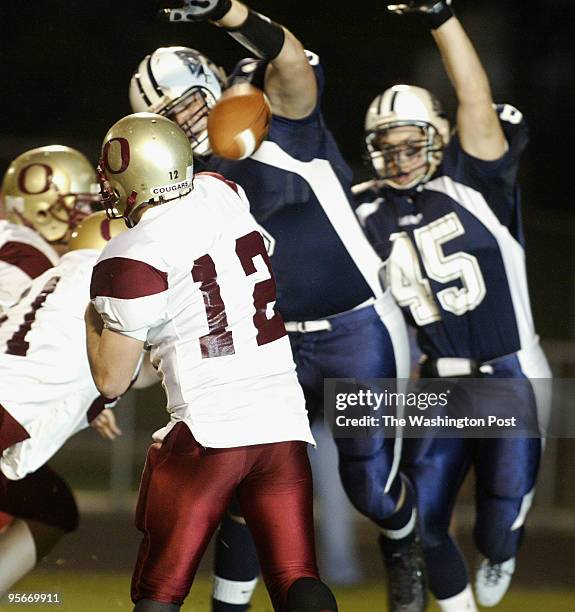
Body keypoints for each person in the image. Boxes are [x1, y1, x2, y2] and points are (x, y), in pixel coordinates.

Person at [130, 3, 422, 611]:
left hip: (356, 324)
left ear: (216, 81)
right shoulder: (182, 190)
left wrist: (225, 10)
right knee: (246, 480)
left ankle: (404, 543)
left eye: (190, 100)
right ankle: (228, 605)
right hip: (271, 344)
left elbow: (288, 60)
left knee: (367, 484)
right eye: (170, 116)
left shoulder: (280, 122)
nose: (188, 118)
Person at [86, 111, 338, 612]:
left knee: (159, 592)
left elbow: (112, 379)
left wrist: (92, 315)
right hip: (281, 424)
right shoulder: (221, 192)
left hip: (209, 434)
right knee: (296, 578)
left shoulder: (132, 254)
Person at [353, 1, 551, 610]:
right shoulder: (367, 210)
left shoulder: (474, 181)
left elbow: (474, 96)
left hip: (511, 374)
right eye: (388, 146)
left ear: (438, 138)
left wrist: (441, 17)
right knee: (425, 523)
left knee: (494, 529)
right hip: (439, 382)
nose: (401, 157)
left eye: (413, 143)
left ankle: (503, 547)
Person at [0, 210, 128, 595]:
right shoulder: (105, 286)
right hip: (9, 408)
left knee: (51, 506)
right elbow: (117, 375)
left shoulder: (50, 276)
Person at [0, 145, 99, 310]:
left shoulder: (14, 243)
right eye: (80, 205)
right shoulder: (25, 264)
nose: (87, 215)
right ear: (42, 212)